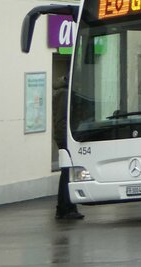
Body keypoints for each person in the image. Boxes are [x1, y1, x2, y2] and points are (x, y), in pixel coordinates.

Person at [53, 73, 83, 221]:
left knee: (67, 173)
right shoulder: (64, 94)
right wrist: (68, 141)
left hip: (65, 138)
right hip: (66, 140)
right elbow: (62, 121)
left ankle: (66, 207)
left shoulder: (63, 93)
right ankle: (66, 208)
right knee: (67, 173)